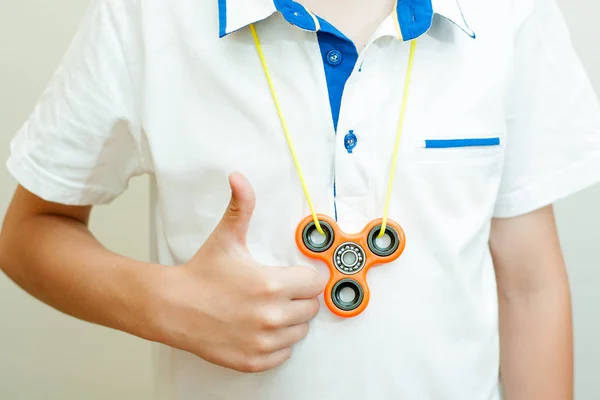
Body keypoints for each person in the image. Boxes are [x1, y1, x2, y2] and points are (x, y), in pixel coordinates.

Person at [1, 0, 599, 398]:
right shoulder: (148, 16)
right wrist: (169, 304)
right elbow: (28, 234)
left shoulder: (512, 13)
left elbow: (530, 285)